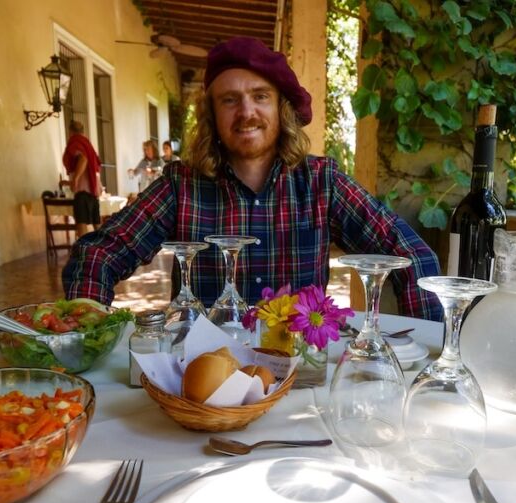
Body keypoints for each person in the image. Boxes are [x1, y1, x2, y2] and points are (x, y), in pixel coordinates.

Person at [64, 36, 442, 320]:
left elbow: (410, 253)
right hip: (204, 377)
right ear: (212, 114)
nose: (246, 112)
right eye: (230, 100)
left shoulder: (321, 183)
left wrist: (430, 348)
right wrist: (86, 331)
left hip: (297, 372)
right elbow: (97, 253)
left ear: (281, 109)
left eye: (260, 96)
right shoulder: (181, 186)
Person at [61, 120, 102, 237]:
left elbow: (83, 159)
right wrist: (69, 182)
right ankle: (101, 252)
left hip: (83, 192)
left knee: (82, 226)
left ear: (70, 132)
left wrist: (75, 180)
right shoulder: (88, 144)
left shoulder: (75, 142)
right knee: (96, 226)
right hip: (93, 191)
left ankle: (85, 254)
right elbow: (93, 169)